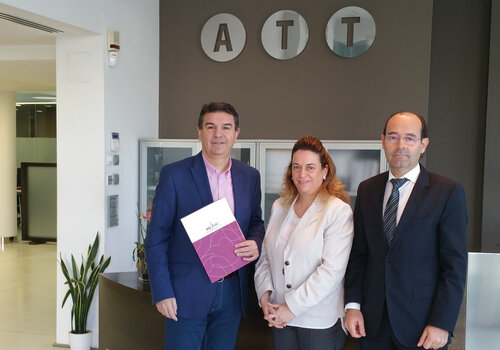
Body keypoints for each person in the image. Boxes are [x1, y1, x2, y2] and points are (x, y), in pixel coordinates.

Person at [145, 102, 265, 350]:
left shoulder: (249, 176)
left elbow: (255, 221)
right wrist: (162, 291)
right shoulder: (175, 175)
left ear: (236, 133)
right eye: (210, 127)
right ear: (199, 131)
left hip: (232, 290)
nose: (218, 134)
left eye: (226, 127)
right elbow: (156, 238)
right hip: (185, 292)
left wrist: (256, 242)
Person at [344, 111, 468, 350]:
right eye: (393, 137)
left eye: (410, 138)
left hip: (422, 327)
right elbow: (359, 255)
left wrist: (442, 322)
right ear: (383, 141)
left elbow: (454, 266)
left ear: (423, 145)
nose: (400, 145)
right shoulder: (367, 190)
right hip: (372, 324)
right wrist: (353, 306)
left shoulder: (447, 192)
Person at [254, 136, 354, 350]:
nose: (302, 174)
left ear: (324, 171)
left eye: (310, 167)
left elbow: (331, 271)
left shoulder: (337, 211)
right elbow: (265, 259)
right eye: (296, 167)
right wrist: (265, 298)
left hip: (319, 321)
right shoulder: (280, 206)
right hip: (280, 316)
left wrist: (291, 307)